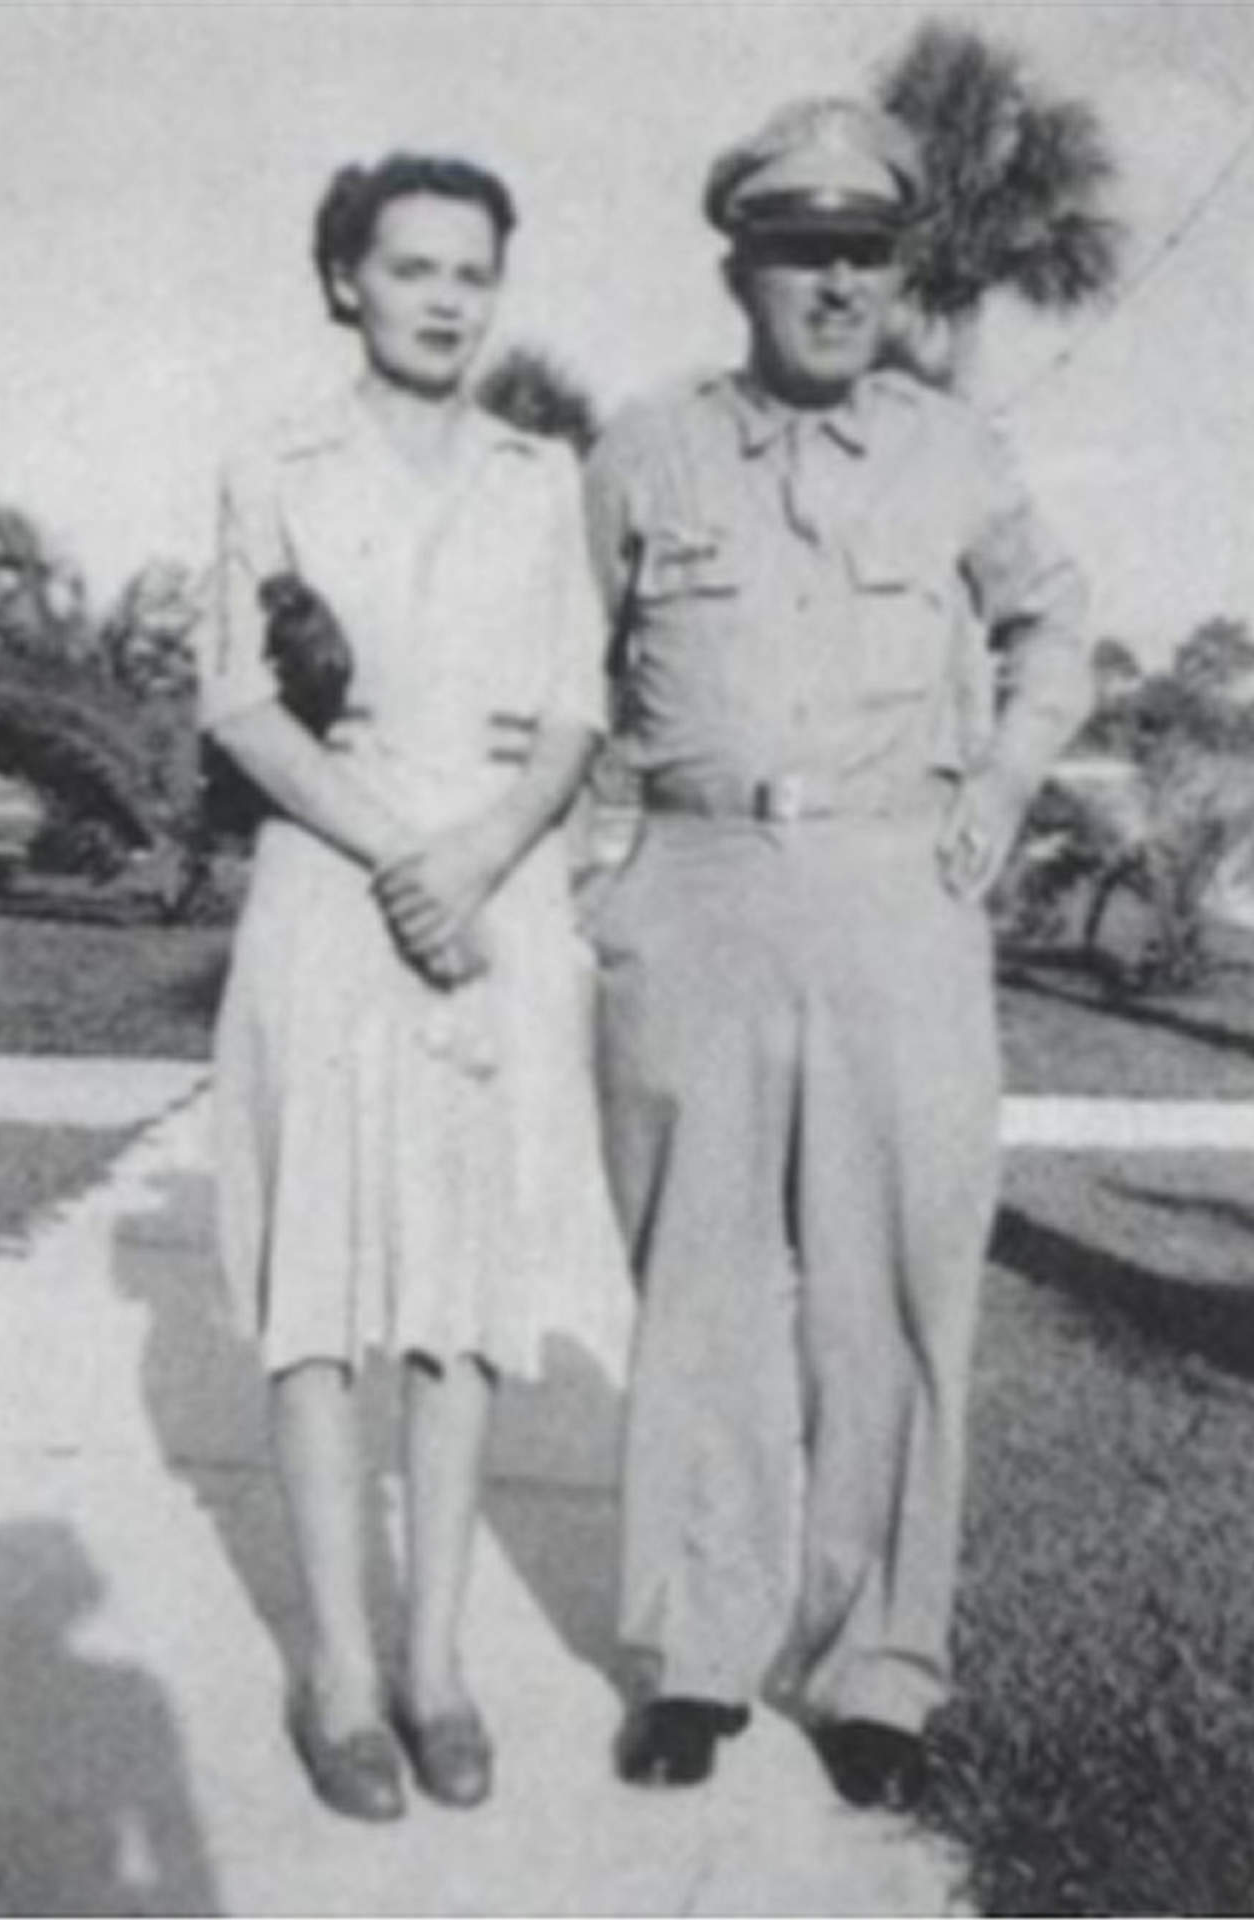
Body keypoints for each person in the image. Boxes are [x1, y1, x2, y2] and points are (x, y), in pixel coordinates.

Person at [583, 97, 1090, 1810]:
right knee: (701, 1289)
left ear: (896, 268)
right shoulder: (645, 454)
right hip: (696, 888)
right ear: (744, 267)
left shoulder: (958, 454)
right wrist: (600, 874)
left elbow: (1055, 628)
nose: (839, 282)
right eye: (803, 250)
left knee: (894, 1290)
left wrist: (1005, 780)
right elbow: (556, 674)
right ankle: (697, 1655)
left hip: (895, 891)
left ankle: (879, 1666)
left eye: (866, 251)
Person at [198, 149, 620, 1822]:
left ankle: (437, 1665)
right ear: (345, 282)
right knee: (319, 1291)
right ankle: (341, 1677)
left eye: (472, 272)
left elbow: (580, 705)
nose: (446, 299)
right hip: (331, 888)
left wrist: (483, 853)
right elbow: (241, 705)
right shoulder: (275, 464)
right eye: (413, 266)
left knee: (459, 1293)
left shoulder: (541, 474)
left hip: (496, 900)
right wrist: (402, 859)